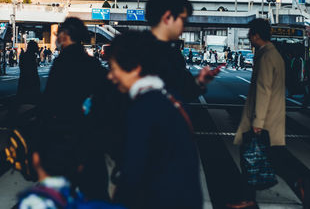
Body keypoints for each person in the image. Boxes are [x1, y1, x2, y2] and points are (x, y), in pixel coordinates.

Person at [108, 32, 202, 209]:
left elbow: (133, 175)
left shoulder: (143, 109)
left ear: (135, 67)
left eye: (113, 69)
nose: (110, 76)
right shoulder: (170, 98)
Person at [41, 17, 111, 201]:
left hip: (63, 138)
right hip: (90, 139)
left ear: (65, 36)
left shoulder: (61, 64)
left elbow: (49, 103)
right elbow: (106, 99)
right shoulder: (93, 65)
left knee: (62, 193)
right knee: (95, 192)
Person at [233, 18, 286, 206]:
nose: (249, 38)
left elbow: (263, 90)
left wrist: (258, 121)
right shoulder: (274, 54)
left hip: (264, 117)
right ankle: (298, 181)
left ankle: (247, 198)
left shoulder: (265, 56)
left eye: (250, 35)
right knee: (272, 156)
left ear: (256, 35)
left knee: (249, 156)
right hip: (273, 115)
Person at [145, 0, 219, 103]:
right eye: (183, 20)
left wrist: (199, 81)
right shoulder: (146, 52)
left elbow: (182, 90)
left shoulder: (169, 50)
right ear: (167, 17)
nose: (184, 26)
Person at [17, 41, 40, 105]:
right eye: (36, 47)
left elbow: (21, 68)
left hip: (23, 81)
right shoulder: (31, 56)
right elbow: (32, 71)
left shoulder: (24, 55)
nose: (37, 48)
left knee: (22, 102)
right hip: (30, 82)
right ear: (33, 48)